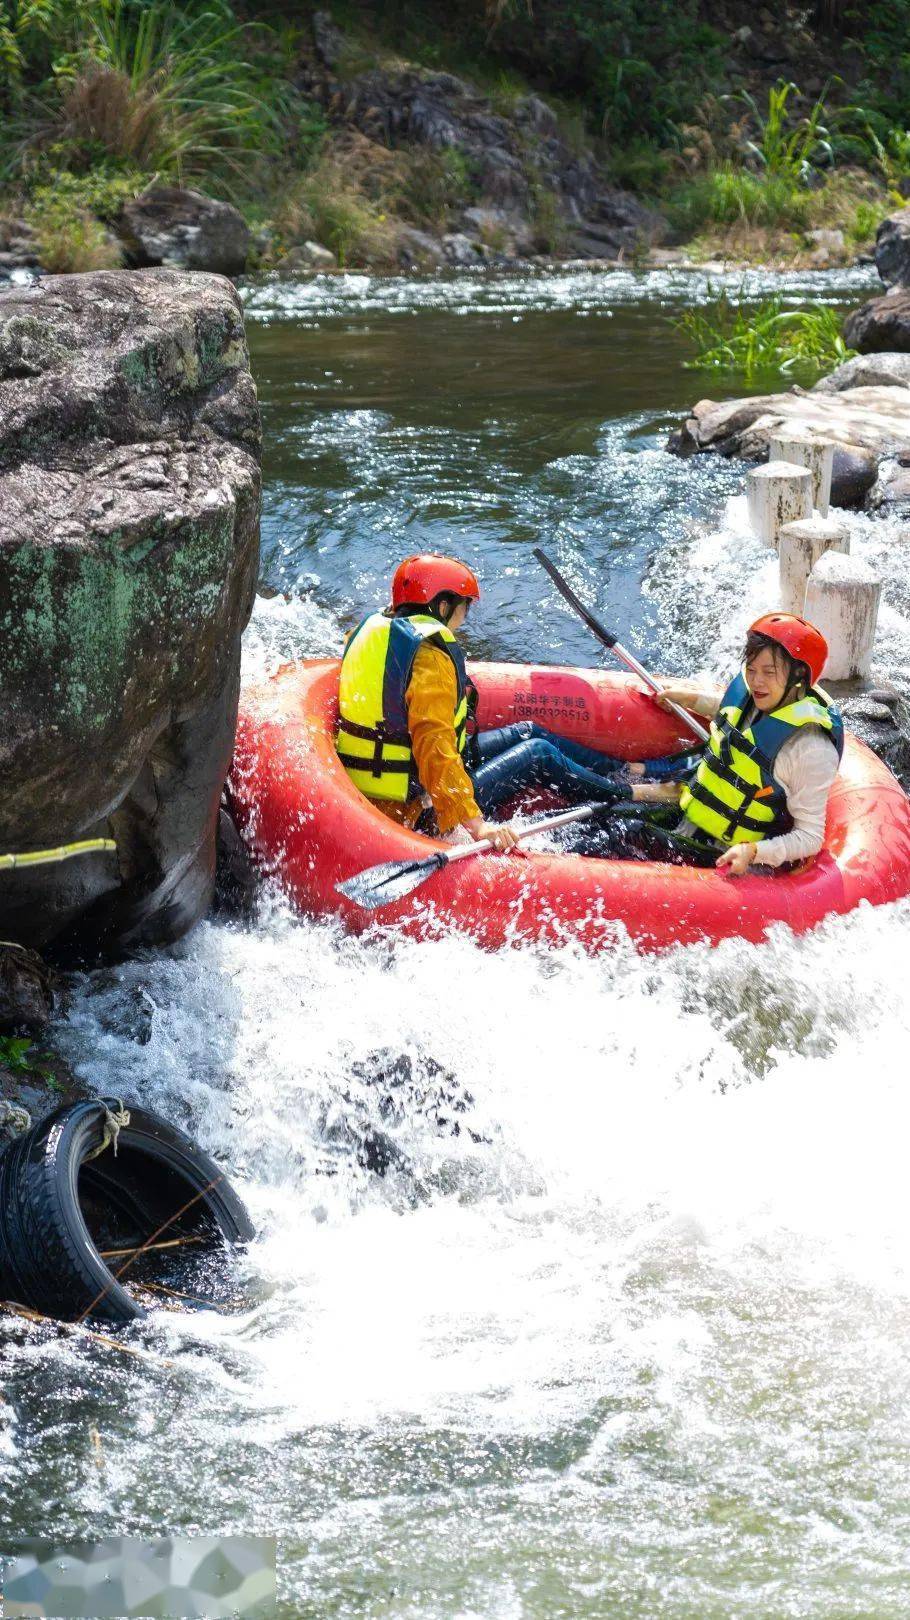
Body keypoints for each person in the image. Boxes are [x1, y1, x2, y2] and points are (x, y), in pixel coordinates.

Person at [335, 554, 631, 850]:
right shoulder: (430, 659)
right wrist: (477, 825)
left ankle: (631, 769)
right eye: (465, 607)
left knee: (527, 730)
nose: (465, 617)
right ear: (443, 606)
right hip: (418, 805)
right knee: (538, 753)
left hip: (389, 780)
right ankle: (629, 794)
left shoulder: (366, 633)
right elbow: (433, 746)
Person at [564, 612, 844, 874]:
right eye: (751, 668)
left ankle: (555, 873)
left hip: (722, 849)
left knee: (626, 832)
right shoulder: (762, 699)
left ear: (799, 679)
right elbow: (732, 715)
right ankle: (536, 848)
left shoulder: (811, 750)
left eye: (769, 673)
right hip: (691, 812)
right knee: (605, 812)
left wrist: (754, 851)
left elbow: (810, 836)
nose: (756, 681)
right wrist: (688, 699)